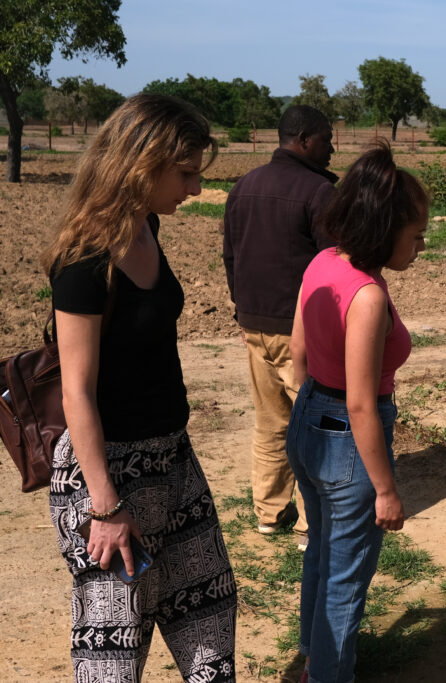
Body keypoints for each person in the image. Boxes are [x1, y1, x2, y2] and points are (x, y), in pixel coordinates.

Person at [44, 94, 237, 681]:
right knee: (114, 652)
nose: (196, 189)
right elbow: (77, 392)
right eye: (185, 174)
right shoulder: (84, 259)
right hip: (105, 476)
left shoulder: (148, 226)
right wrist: (106, 508)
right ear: (140, 163)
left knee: (208, 614)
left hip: (173, 459)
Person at [286, 140, 427, 682]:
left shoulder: (323, 261)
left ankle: (312, 659)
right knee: (346, 578)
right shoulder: (367, 295)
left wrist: (314, 409)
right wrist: (386, 489)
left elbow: (299, 350)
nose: (420, 246)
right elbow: (363, 402)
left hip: (310, 419)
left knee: (321, 553)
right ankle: (328, 674)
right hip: (348, 437)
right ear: (384, 227)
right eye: (415, 236)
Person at [223, 105, 338, 549]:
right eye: (327, 138)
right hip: (300, 332)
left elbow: (230, 257)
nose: (331, 148)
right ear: (305, 139)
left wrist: (243, 310)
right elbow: (333, 270)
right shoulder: (320, 192)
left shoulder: (244, 186)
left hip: (253, 325)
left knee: (271, 421)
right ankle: (314, 524)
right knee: (314, 423)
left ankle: (270, 513)